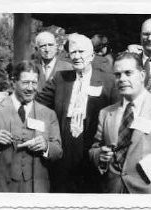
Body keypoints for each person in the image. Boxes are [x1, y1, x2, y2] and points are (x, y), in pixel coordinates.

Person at [89, 52, 151, 194]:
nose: (122, 79)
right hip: (114, 193)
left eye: (128, 73)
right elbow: (95, 148)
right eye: (117, 75)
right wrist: (100, 155)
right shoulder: (106, 113)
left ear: (142, 75)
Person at [35, 33, 117, 193]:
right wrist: (6, 94)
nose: (77, 56)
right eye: (73, 52)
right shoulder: (61, 78)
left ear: (92, 55)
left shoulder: (109, 81)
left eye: (81, 52)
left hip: (93, 148)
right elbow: (37, 101)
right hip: (65, 148)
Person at [0, 60, 62, 192]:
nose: (30, 88)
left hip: (36, 191)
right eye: (25, 83)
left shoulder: (48, 114)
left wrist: (46, 146)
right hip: (0, 190)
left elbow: (58, 151)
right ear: (13, 82)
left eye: (34, 83)